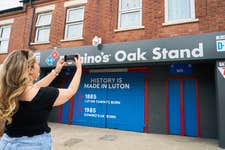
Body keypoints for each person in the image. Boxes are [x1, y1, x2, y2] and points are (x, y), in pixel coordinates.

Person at [0, 50, 82, 150]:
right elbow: (71, 91)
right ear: (30, 69)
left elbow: (35, 88)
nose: (38, 66)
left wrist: (56, 71)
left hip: (6, 144)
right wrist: (79, 69)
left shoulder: (7, 94)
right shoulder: (45, 95)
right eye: (37, 63)